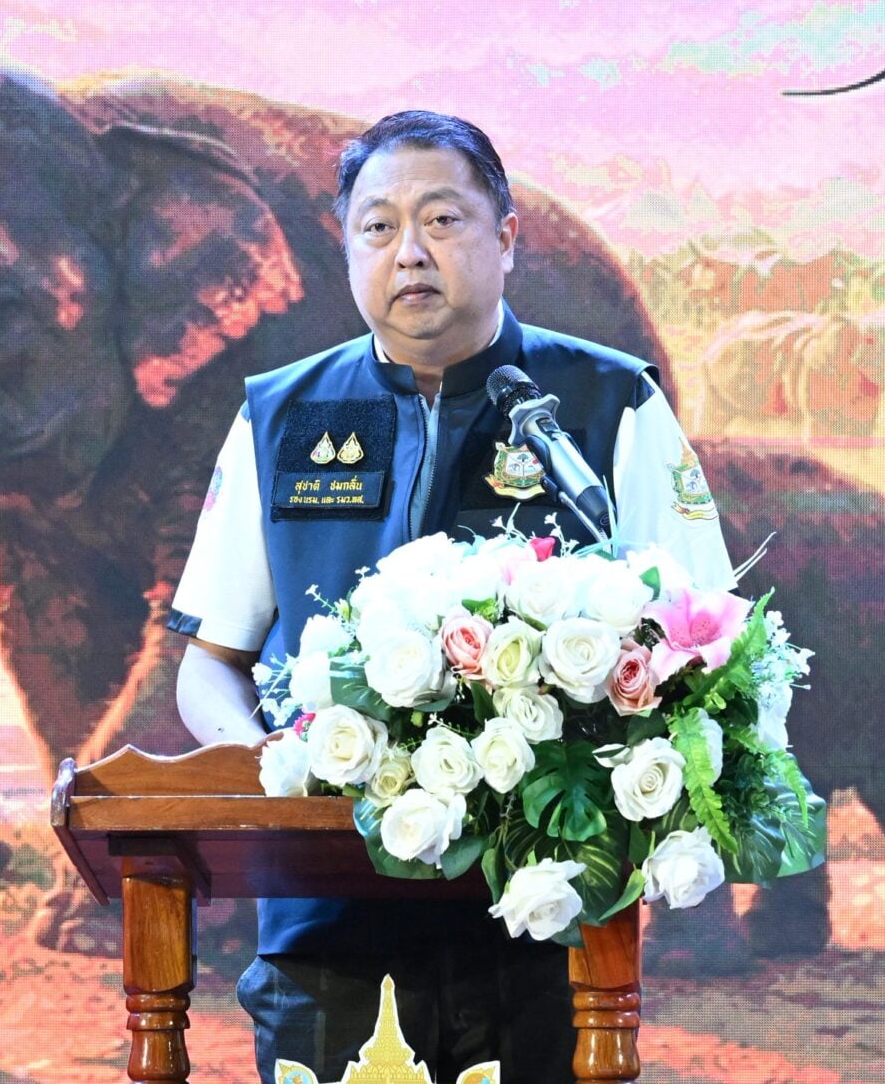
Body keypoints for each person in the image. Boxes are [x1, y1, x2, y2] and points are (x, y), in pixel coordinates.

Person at [168, 110, 734, 1083]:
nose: (410, 252)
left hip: (539, 925)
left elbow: (707, 643)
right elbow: (208, 665)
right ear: (347, 249)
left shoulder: (609, 403)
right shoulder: (283, 414)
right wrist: (272, 766)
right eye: (378, 227)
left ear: (506, 236)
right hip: (326, 925)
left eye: (442, 219)